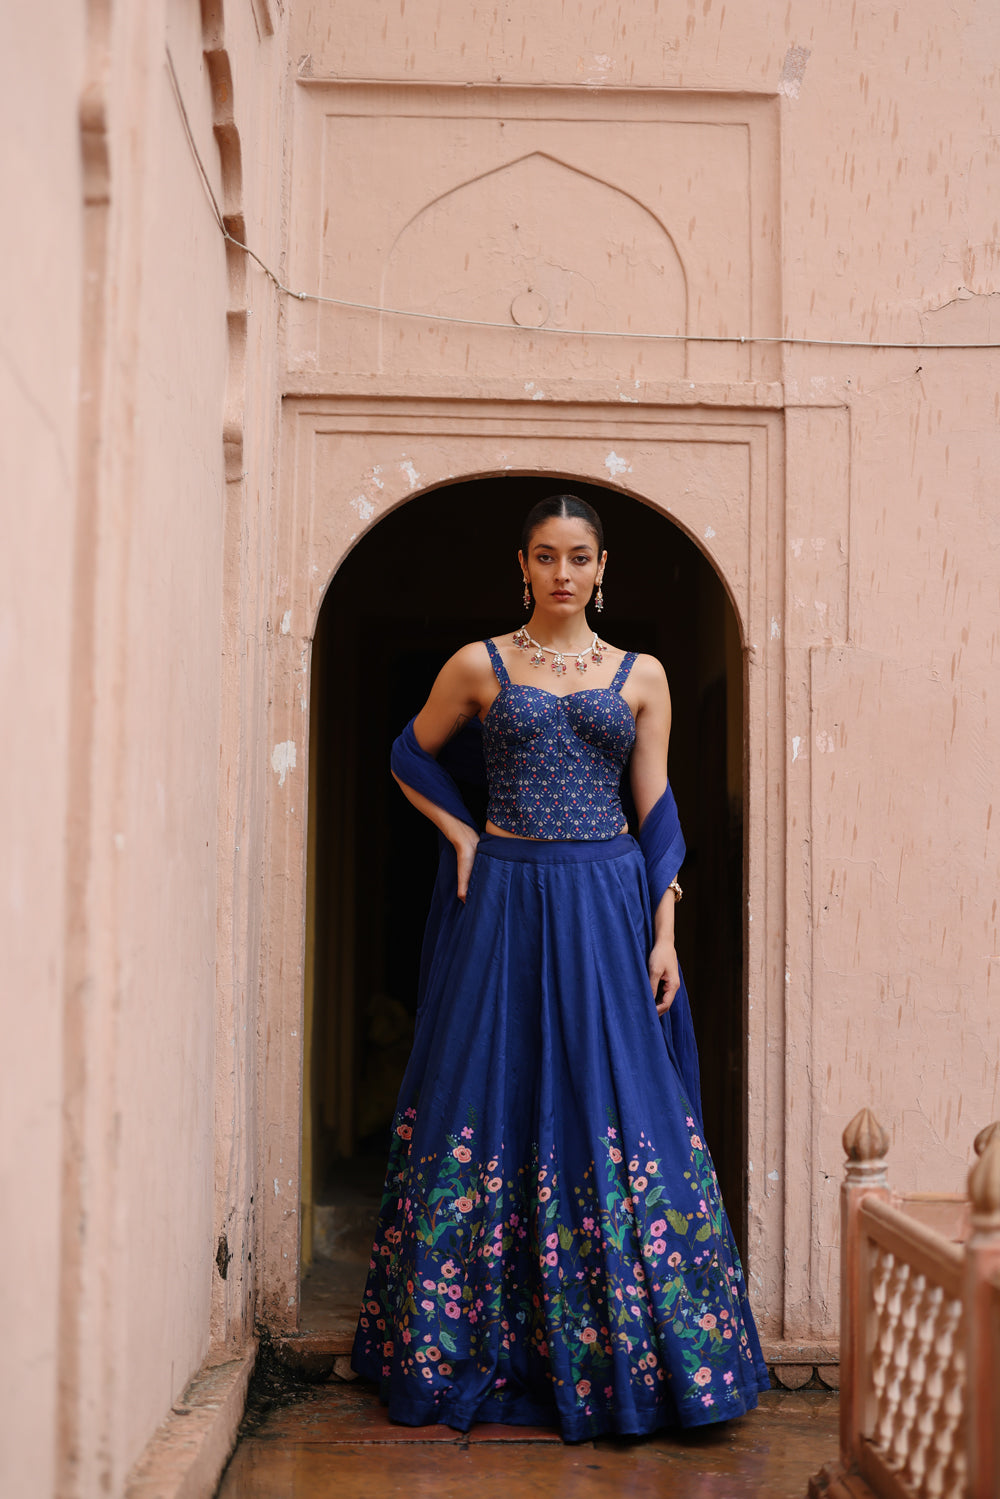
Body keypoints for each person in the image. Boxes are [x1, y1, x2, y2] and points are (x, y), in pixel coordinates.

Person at [351, 493, 769, 1440]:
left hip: (606, 900)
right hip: (504, 896)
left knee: (618, 1101)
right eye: (546, 556)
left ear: (603, 565)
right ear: (524, 566)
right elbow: (409, 755)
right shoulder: (480, 663)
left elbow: (657, 811)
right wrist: (462, 835)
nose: (564, 572)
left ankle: (630, 1357)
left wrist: (663, 932)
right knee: (485, 1094)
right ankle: (469, 1341)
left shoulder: (643, 675)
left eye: (579, 556)